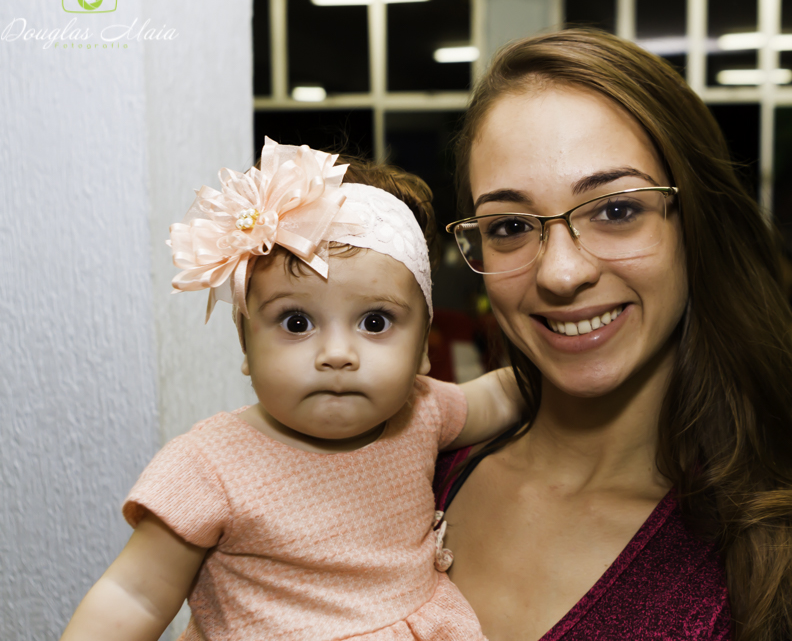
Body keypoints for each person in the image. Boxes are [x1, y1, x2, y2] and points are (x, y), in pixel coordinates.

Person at [436, 29, 792, 641]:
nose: (561, 273)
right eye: (510, 226)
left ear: (696, 227)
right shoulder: (408, 482)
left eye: (616, 210)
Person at [61, 138, 522, 640]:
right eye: (297, 322)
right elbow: (135, 595)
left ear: (422, 350)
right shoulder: (209, 465)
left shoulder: (423, 411)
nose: (337, 354)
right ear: (246, 343)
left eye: (375, 321)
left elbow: (505, 394)